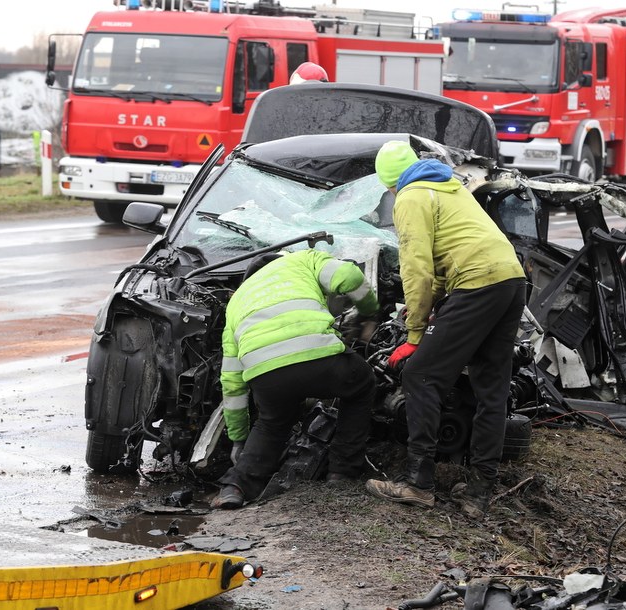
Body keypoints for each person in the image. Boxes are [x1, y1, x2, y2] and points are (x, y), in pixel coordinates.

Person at [364, 140, 527, 517]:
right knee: (491, 389)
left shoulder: (409, 197)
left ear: (388, 183)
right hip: (511, 281)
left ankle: (418, 484)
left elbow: (417, 269)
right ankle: (479, 492)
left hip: (477, 283)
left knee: (421, 375)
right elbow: (446, 258)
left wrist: (414, 336)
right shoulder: (450, 186)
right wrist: (433, 302)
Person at [212, 249, 379, 509]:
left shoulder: (236, 303)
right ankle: (342, 472)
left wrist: (238, 439)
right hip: (318, 354)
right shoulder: (302, 259)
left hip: (265, 371)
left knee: (272, 422)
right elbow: (349, 275)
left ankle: (235, 487)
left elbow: (232, 383)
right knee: (362, 383)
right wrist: (369, 311)